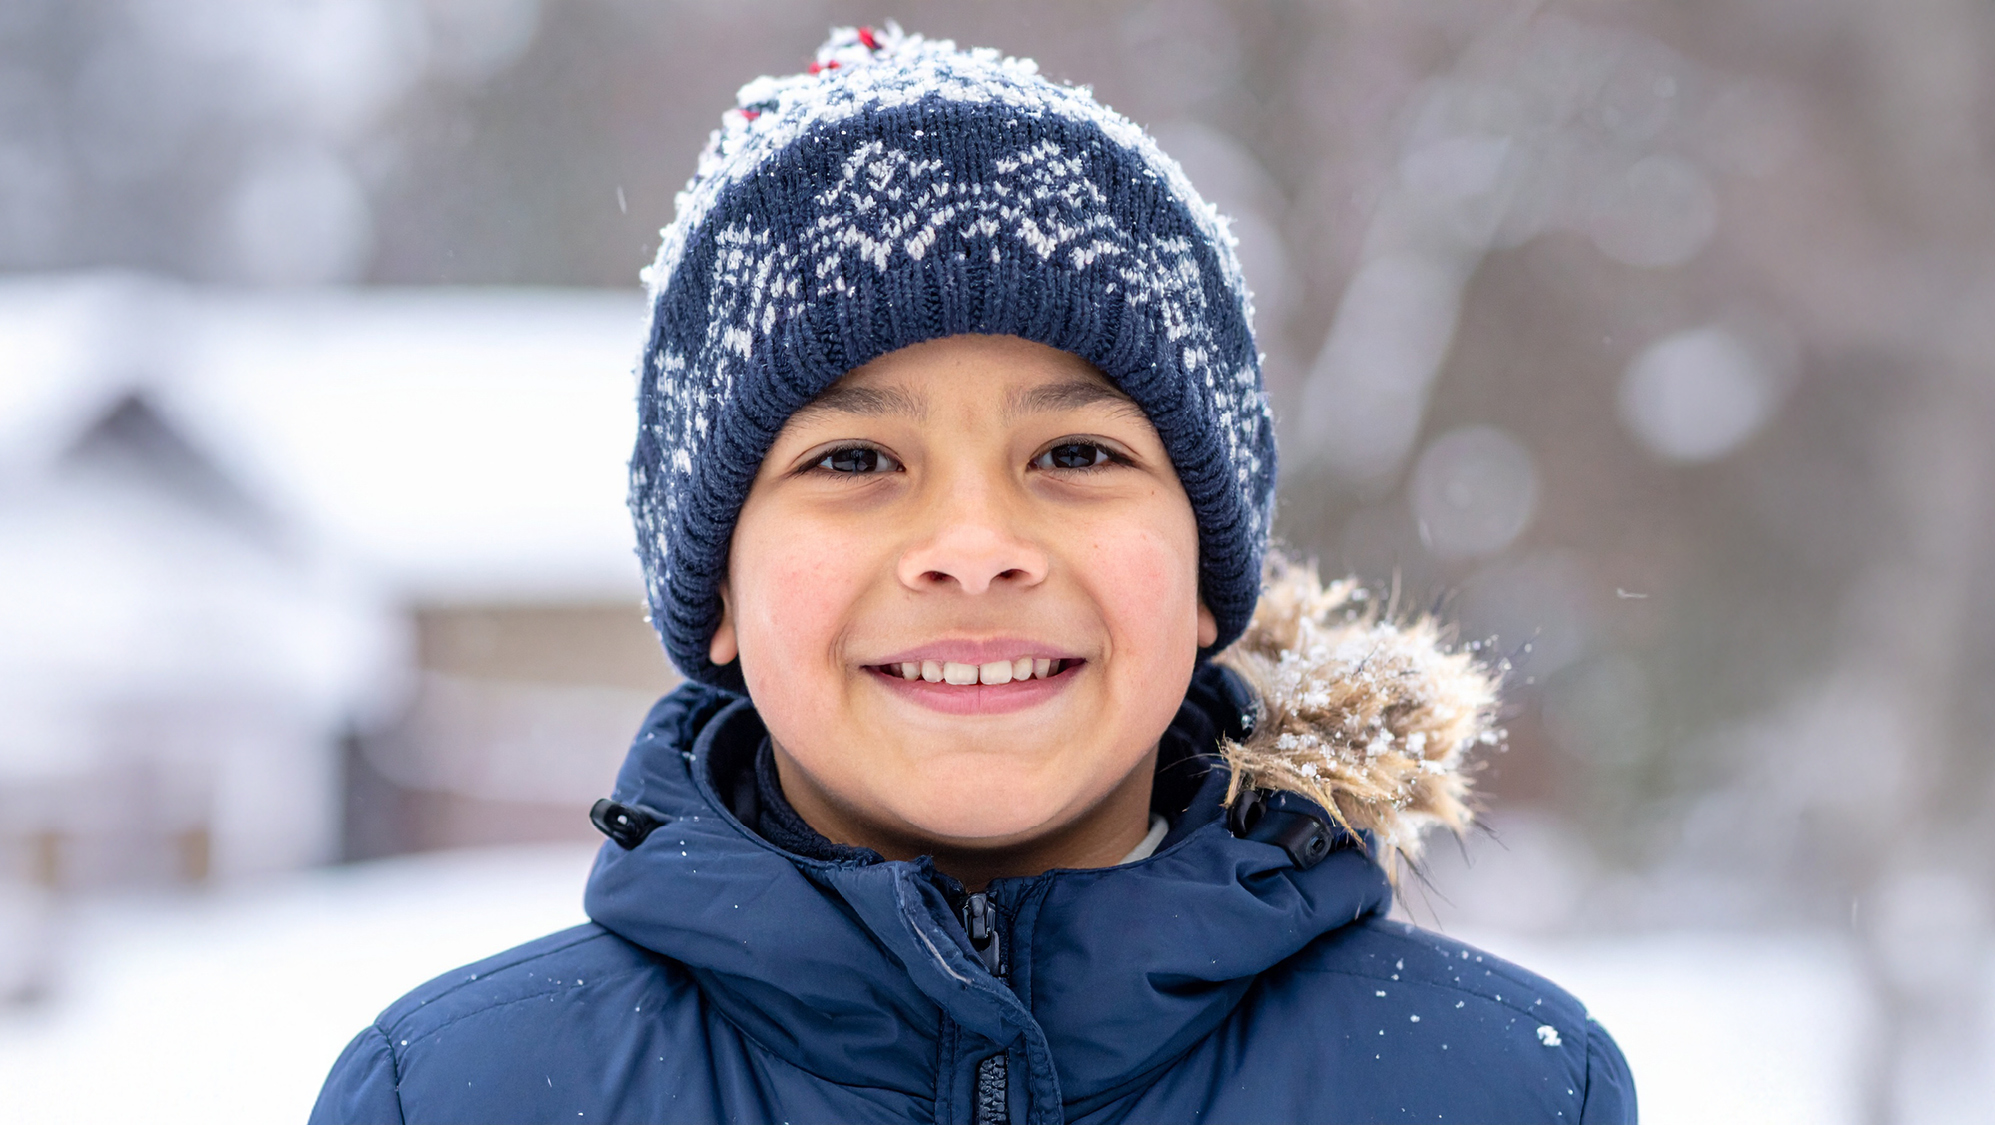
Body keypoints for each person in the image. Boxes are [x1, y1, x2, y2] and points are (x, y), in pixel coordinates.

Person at [311, 25, 1635, 1125]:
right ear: (715, 588)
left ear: (1205, 579)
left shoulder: (1505, 1089)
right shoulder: (456, 1095)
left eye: (1075, 452)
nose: (974, 544)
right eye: (852, 459)